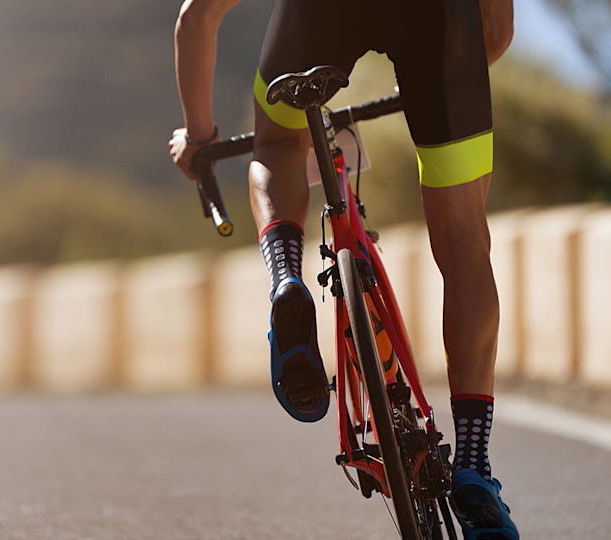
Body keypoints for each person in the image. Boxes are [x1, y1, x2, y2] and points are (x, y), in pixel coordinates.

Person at [168, 1, 518, 539]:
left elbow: (197, 16)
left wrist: (198, 135)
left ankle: (287, 275)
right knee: (466, 245)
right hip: (440, 20)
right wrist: (442, 86)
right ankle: (473, 462)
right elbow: (495, 32)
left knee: (279, 141)